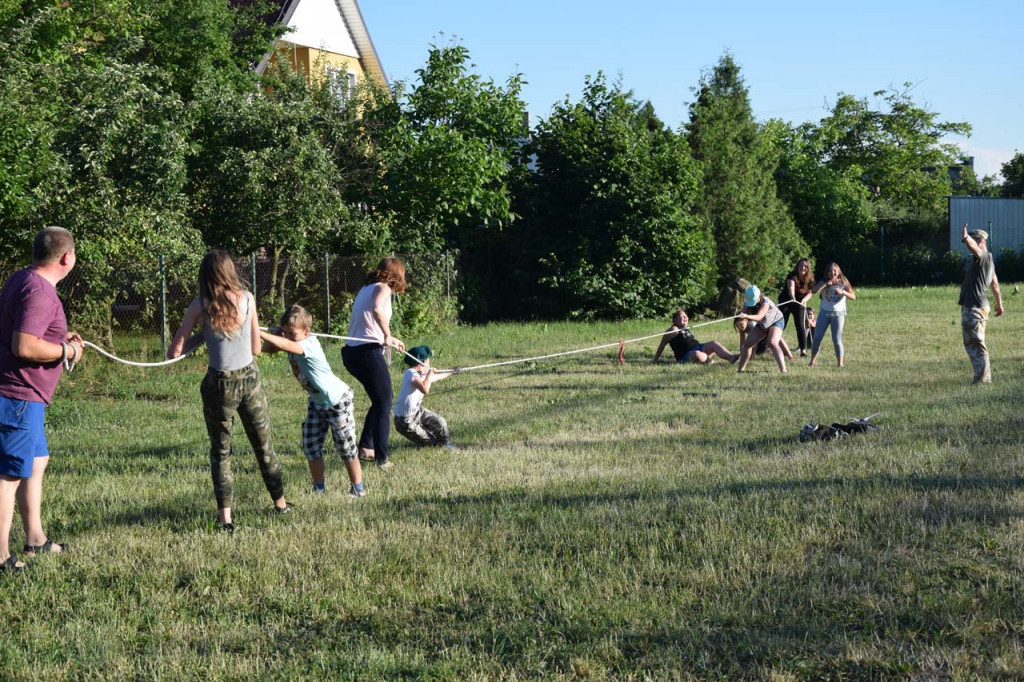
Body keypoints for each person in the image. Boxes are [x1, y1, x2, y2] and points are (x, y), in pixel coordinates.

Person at [168, 250, 289, 532]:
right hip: (249, 379)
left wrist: (202, 334)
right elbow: (257, 349)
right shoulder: (247, 298)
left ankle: (226, 519)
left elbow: (174, 352)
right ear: (230, 271)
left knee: (221, 453)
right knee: (263, 445)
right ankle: (280, 504)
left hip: (219, 385)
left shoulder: (199, 305)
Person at [0, 227, 83, 573]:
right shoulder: (40, 293)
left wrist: (59, 335)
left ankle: (35, 539)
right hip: (18, 394)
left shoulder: (22, 279)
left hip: (27, 396)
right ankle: (1, 557)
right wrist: (66, 350)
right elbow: (24, 345)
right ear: (67, 258)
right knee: (8, 476)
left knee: (37, 460)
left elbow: (22, 327)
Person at [260, 305, 365, 497]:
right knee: (310, 446)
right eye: (286, 333)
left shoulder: (309, 343)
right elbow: (267, 350)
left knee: (346, 448)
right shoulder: (292, 339)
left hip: (337, 402)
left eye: (292, 333)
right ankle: (318, 488)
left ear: (307, 331)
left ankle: (358, 488)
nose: (288, 336)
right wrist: (277, 334)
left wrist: (261, 332)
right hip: (317, 403)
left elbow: (288, 346)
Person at [342, 257, 406, 470]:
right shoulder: (383, 288)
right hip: (367, 353)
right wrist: (386, 334)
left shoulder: (365, 288)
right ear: (396, 276)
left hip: (351, 353)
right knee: (385, 402)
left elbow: (367, 323)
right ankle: (382, 458)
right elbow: (378, 310)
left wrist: (391, 338)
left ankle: (366, 448)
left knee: (379, 401)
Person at [958, 223, 1004, 383]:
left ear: (979, 240)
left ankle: (983, 379)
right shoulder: (987, 261)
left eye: (969, 241)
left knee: (976, 343)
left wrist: (965, 237)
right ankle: (980, 377)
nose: (967, 246)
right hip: (978, 306)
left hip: (974, 307)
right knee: (973, 343)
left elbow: (974, 248)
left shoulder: (982, 256)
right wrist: (999, 304)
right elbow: (995, 284)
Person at [393, 346, 456, 447]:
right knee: (429, 442)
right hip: (404, 421)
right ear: (424, 362)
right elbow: (425, 389)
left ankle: (444, 445)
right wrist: (429, 374)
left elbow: (438, 377)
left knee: (440, 422)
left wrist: (451, 372)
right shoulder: (410, 373)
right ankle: (433, 445)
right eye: (428, 361)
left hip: (418, 412)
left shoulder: (421, 375)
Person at [809, 262, 856, 368]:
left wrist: (843, 292)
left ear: (838, 272)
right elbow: (813, 291)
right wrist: (826, 284)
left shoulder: (843, 282)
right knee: (817, 338)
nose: (832, 272)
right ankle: (812, 362)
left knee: (836, 339)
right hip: (824, 313)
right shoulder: (824, 282)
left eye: (835, 270)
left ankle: (840, 364)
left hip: (838, 314)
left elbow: (853, 296)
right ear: (827, 272)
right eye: (830, 270)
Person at [652, 310, 738, 365]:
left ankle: (731, 358)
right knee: (697, 353)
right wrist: (655, 359)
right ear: (675, 320)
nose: (685, 318)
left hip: (698, 347)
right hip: (685, 356)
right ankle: (713, 363)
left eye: (686, 316)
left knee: (713, 343)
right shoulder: (673, 330)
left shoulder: (686, 328)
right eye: (682, 317)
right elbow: (662, 345)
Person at [735, 285, 789, 373]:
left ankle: (783, 370)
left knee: (773, 342)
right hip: (763, 324)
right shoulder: (748, 303)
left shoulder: (765, 302)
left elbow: (759, 316)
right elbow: (743, 312)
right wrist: (741, 315)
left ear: (759, 296)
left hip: (776, 321)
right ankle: (741, 370)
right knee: (747, 344)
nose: (753, 303)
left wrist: (746, 316)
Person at [778, 258, 815, 356]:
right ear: (797, 266)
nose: (803, 268)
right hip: (787, 301)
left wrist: (804, 300)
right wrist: (793, 297)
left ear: (808, 268)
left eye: (805, 266)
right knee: (781, 324)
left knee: (800, 325)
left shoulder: (810, 279)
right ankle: (770, 345)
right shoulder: (792, 275)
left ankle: (803, 350)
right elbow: (791, 288)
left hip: (799, 303)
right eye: (801, 265)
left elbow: (810, 292)